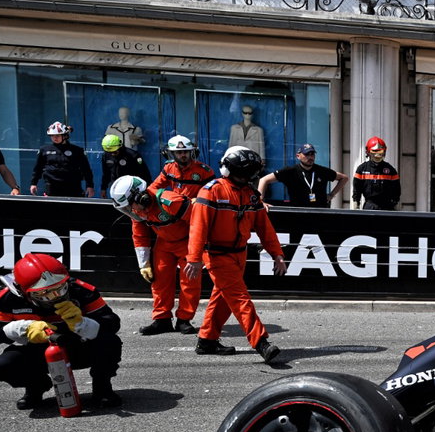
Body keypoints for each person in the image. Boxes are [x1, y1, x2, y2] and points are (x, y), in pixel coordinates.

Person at [0, 252, 121, 409]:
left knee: (110, 342)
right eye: (43, 293)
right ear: (23, 292)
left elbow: (112, 324)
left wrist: (82, 323)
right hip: (37, 350)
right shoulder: (6, 299)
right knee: (0, 366)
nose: (55, 296)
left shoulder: (82, 290)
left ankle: (102, 387)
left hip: (78, 345)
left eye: (60, 288)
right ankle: (36, 386)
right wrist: (23, 328)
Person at [186, 146, 287, 361]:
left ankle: (207, 340)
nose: (246, 176)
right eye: (243, 172)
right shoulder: (211, 191)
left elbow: (264, 228)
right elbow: (198, 227)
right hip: (216, 254)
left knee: (222, 298)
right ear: (229, 169)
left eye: (249, 172)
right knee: (240, 298)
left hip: (239, 254)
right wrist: (194, 259)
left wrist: (276, 254)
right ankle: (261, 342)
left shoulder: (252, 196)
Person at [110, 175, 199, 337]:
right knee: (159, 280)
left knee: (189, 282)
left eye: (130, 205)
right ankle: (162, 318)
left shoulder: (170, 201)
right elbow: (139, 234)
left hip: (187, 242)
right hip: (163, 244)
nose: (130, 210)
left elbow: (199, 222)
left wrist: (199, 250)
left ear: (141, 197)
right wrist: (143, 264)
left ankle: (184, 320)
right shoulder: (138, 211)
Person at [260, 144, 347, 208]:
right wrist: (260, 201)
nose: (310, 157)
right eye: (307, 154)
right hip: (298, 213)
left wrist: (331, 195)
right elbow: (264, 180)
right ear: (298, 156)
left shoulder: (322, 170)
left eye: (312, 154)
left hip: (320, 212)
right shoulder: (290, 171)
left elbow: (344, 178)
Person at [29, 122, 95, 197]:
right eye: (52, 136)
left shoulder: (77, 151)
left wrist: (90, 186)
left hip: (73, 187)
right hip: (52, 187)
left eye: (57, 135)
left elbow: (86, 169)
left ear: (65, 136)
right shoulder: (44, 150)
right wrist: (33, 183)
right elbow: (38, 168)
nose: (54, 138)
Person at [148, 134, 214, 199]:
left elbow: (213, 194)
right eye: (179, 152)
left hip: (196, 207)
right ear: (172, 154)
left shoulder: (204, 171)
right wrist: (166, 196)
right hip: (175, 207)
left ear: (191, 152)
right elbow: (153, 188)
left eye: (186, 152)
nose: (183, 155)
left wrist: (198, 200)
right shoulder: (169, 168)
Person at [351, 136, 400, 211]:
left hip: (387, 207)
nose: (377, 155)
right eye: (374, 152)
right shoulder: (362, 169)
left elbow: (396, 189)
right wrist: (356, 203)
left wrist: (396, 204)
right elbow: (356, 188)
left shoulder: (390, 170)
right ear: (368, 152)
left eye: (380, 152)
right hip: (369, 206)